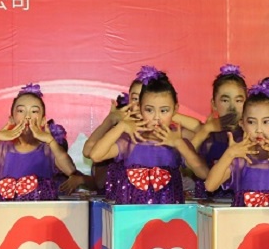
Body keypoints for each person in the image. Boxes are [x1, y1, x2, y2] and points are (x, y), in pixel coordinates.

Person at [88, 67, 208, 204]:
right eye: (149, 110)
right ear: (140, 108)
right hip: (132, 214)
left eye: (164, 111)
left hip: (169, 214)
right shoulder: (130, 139)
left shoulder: (178, 142)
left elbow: (203, 173)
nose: (156, 117)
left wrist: (179, 144)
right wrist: (121, 127)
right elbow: (95, 155)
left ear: (175, 109)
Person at [0, 83, 76, 201]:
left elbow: (70, 169)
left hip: (41, 212)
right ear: (12, 119)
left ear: (43, 121)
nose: (27, 116)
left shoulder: (48, 149)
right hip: (7, 212)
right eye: (21, 111)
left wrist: (50, 140)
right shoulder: (2, 149)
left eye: (34, 111)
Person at [191, 64, 248, 201]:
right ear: (214, 104)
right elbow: (183, 162)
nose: (232, 107)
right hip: (209, 203)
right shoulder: (206, 135)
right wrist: (205, 130)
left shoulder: (253, 134)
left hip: (241, 205)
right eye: (225, 100)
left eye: (238, 100)